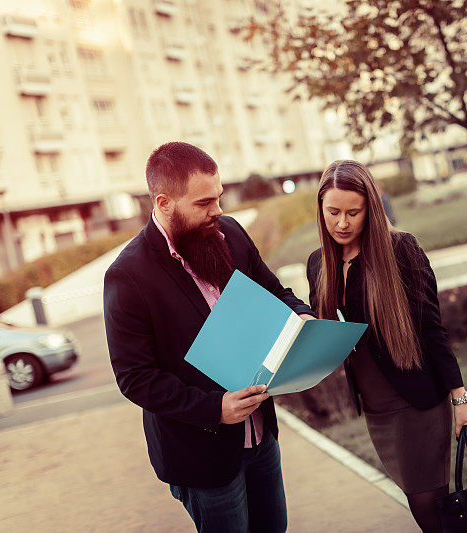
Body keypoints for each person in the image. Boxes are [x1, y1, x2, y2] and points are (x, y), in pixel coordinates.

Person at [103, 142, 315, 533]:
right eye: (203, 203)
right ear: (164, 203)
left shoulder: (229, 233)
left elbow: (274, 291)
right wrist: (213, 409)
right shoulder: (127, 276)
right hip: (200, 456)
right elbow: (134, 378)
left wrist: (302, 319)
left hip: (261, 436)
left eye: (218, 197)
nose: (217, 210)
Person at [305, 160, 467, 533]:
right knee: (423, 503)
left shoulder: (400, 249)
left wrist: (461, 399)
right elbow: (323, 329)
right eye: (333, 212)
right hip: (376, 408)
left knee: (427, 506)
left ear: (371, 206)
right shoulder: (319, 263)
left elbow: (433, 329)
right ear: (321, 210)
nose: (342, 223)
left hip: (417, 400)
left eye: (353, 212)